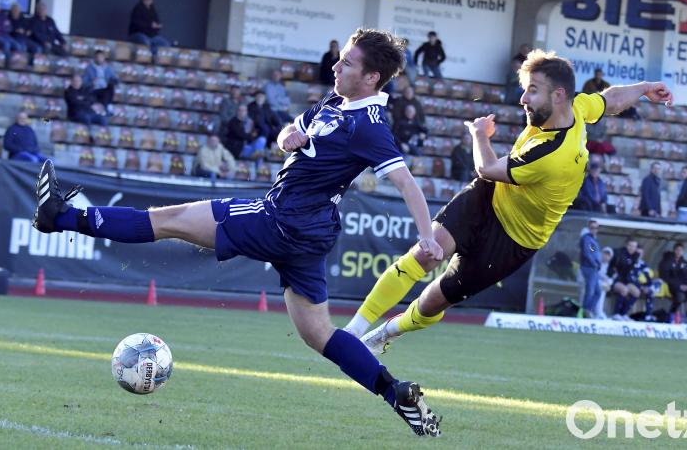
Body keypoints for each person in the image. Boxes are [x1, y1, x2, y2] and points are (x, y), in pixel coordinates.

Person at [33, 28, 442, 437]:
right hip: (308, 232)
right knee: (319, 333)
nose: (336, 65)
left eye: (347, 62)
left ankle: (60, 216)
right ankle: (395, 393)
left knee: (168, 220)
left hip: (280, 219)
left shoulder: (369, 125)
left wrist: (427, 238)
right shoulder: (336, 100)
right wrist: (288, 139)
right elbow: (288, 134)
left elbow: (406, 183)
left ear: (371, 78)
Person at [344, 49, 674, 350]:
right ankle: (352, 332)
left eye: (532, 90)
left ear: (558, 96)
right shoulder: (577, 108)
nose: (523, 99)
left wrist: (478, 135)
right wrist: (645, 87)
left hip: (514, 240)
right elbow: (611, 99)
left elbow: (486, 166)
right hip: (488, 199)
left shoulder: (551, 154)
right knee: (426, 254)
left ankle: (387, 332)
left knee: (433, 302)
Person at [608, 239, 641, 321]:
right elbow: (612, 267)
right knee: (624, 290)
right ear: (626, 245)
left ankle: (624, 314)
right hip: (614, 280)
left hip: (626, 281)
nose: (632, 248)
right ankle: (616, 314)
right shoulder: (619, 253)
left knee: (637, 292)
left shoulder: (636, 256)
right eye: (630, 245)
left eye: (634, 246)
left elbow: (633, 270)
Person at [658, 243, 687, 323]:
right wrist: (679, 286)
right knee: (680, 297)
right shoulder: (666, 261)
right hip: (670, 285)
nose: (679, 252)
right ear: (674, 250)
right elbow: (664, 276)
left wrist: (686, 285)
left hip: (682, 286)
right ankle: (671, 315)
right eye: (677, 250)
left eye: (681, 250)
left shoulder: (684, 262)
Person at [579, 219, 601, 317]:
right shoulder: (587, 238)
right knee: (590, 291)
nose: (594, 229)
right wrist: (594, 263)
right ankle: (584, 311)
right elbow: (587, 253)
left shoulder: (593, 239)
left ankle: (588, 310)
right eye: (592, 228)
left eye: (596, 228)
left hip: (594, 268)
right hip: (589, 268)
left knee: (598, 292)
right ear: (589, 228)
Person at [595, 246, 614, 320]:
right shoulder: (596, 262)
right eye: (604, 254)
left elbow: (612, 278)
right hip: (594, 283)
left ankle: (599, 312)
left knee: (604, 288)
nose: (606, 256)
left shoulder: (611, 267)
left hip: (603, 285)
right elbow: (595, 274)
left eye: (608, 255)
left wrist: (608, 283)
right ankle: (597, 312)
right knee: (602, 286)